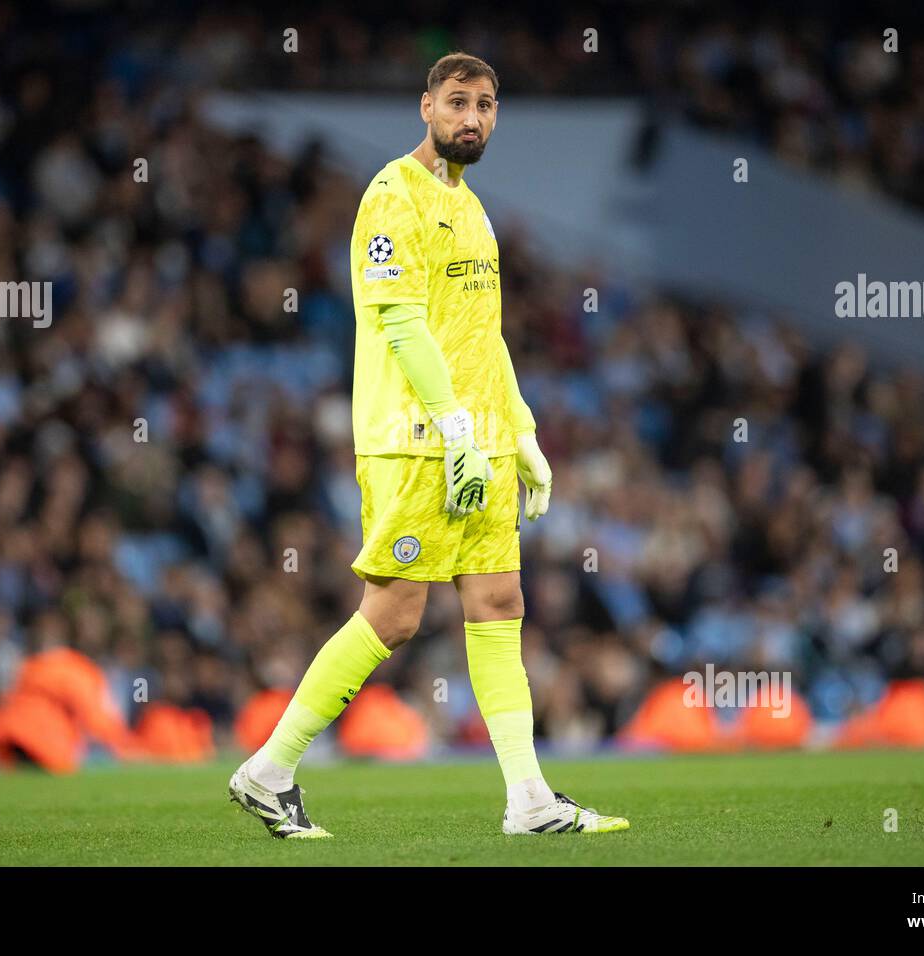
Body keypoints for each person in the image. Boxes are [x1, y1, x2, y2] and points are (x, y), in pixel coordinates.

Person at [228, 52, 629, 838]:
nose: (471, 118)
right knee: (395, 613)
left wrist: (522, 435)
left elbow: (484, 338)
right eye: (457, 102)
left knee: (500, 601)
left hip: (476, 444)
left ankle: (530, 801)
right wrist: (453, 433)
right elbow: (400, 322)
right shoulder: (391, 195)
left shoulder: (475, 210)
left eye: (484, 104)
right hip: (413, 443)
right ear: (425, 107)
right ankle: (268, 770)